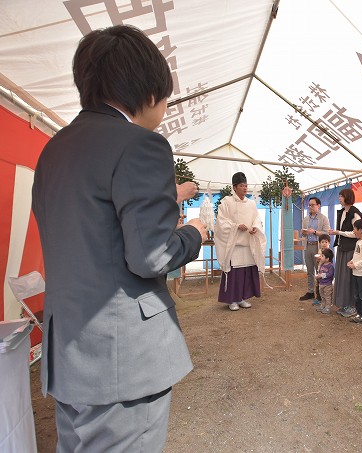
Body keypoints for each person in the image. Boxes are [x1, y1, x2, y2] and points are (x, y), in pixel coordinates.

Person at [31, 25, 208, 452]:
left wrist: (170, 194)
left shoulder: (53, 151)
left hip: (71, 352)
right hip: (122, 358)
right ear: (148, 91)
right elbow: (151, 255)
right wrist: (193, 233)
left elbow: (97, 225)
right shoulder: (141, 145)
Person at [214, 172, 267, 311]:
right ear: (234, 187)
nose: (244, 188)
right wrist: (236, 226)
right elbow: (221, 222)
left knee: (247, 272)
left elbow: (257, 219)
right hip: (234, 245)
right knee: (234, 274)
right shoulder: (227, 202)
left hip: (248, 243)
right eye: (242, 185)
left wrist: (255, 227)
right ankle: (232, 300)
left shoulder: (251, 204)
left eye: (246, 185)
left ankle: (243, 298)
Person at [329, 188, 362, 317]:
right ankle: (344, 304)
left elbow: (357, 233)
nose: (339, 198)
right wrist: (337, 233)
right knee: (342, 277)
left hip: (351, 249)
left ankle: (352, 305)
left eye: (341, 196)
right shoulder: (342, 212)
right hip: (343, 247)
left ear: (347, 197)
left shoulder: (355, 213)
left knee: (349, 278)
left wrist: (338, 232)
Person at [299, 196, 330, 301]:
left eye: (312, 205)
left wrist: (315, 232)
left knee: (320, 270)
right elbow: (302, 233)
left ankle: (321, 293)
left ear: (318, 206)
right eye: (309, 205)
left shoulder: (323, 218)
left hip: (318, 248)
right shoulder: (306, 219)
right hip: (308, 246)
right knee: (310, 271)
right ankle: (310, 292)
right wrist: (303, 232)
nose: (310, 207)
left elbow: (326, 233)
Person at [347, 218, 362, 324]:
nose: (353, 231)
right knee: (357, 294)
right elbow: (357, 255)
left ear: (361, 230)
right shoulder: (358, 241)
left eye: (355, 229)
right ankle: (359, 313)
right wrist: (351, 262)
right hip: (357, 272)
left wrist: (355, 265)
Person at [312, 233, 332, 306]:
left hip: (326, 273)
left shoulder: (329, 252)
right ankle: (319, 299)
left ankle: (328, 302)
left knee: (327, 288)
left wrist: (323, 259)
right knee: (318, 285)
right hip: (320, 271)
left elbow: (330, 262)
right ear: (319, 243)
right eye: (322, 242)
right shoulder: (320, 250)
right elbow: (318, 262)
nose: (324, 244)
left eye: (326, 242)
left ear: (329, 243)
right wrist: (318, 260)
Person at [315, 248, 335, 314]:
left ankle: (328, 307)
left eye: (322, 256)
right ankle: (323, 305)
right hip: (321, 283)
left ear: (327, 258)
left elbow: (330, 274)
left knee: (327, 296)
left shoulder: (331, 266)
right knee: (322, 295)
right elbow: (319, 271)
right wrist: (318, 275)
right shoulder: (322, 265)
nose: (321, 257)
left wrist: (321, 275)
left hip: (327, 284)